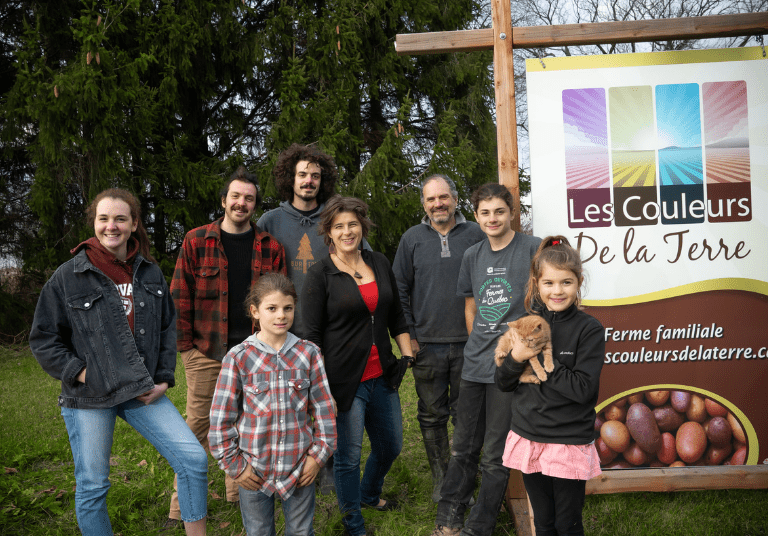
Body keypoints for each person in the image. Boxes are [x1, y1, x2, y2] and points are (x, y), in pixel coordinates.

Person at [29, 189, 208, 536]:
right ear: (94, 223)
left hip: (141, 389)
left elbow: (167, 328)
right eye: (104, 218)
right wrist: (83, 373)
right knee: (93, 484)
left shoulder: (150, 273)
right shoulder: (69, 276)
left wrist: (163, 378)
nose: (111, 226)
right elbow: (44, 338)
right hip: (90, 395)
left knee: (193, 459)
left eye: (120, 219)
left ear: (134, 224)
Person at [168, 166, 287, 524]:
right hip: (206, 351)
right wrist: (187, 349)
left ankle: (238, 493)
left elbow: (279, 299)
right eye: (235, 196)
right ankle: (181, 504)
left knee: (247, 424)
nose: (241, 203)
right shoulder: (196, 241)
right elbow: (179, 296)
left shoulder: (270, 247)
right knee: (197, 427)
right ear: (224, 200)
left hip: (254, 352)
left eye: (248, 198)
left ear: (255, 204)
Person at [432, 183, 541, 536]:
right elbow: (471, 306)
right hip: (475, 364)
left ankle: (479, 527)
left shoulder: (533, 248)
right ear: (476, 216)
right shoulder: (472, 256)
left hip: (511, 367)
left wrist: (522, 351)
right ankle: (449, 519)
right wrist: (477, 343)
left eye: (499, 211)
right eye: (485, 212)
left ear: (512, 213)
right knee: (463, 447)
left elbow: (546, 302)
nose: (492, 218)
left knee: (495, 454)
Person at [302, 195, 414, 536]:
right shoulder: (320, 274)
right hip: (343, 382)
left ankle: (368, 493)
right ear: (329, 232)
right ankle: (353, 523)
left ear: (362, 227)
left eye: (353, 224)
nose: (347, 231)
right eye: (339, 226)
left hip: (383, 375)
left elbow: (396, 314)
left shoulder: (378, 262)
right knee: (348, 457)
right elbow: (312, 337)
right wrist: (321, 389)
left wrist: (406, 356)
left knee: (391, 445)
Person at [208, 273, 337, 536]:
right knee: (258, 531)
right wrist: (235, 467)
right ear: (255, 311)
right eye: (272, 308)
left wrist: (316, 458)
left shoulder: (308, 354)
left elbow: (324, 412)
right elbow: (221, 418)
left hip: (299, 467)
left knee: (301, 531)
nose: (281, 315)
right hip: (253, 470)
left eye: (288, 308)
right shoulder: (238, 357)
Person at [495, 236, 604, 536]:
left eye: (566, 282)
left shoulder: (589, 329)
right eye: (549, 283)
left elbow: (583, 389)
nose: (557, 291)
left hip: (568, 440)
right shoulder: (525, 324)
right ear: (537, 284)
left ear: (579, 282)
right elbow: (503, 382)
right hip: (530, 435)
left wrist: (543, 359)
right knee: (543, 522)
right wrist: (517, 357)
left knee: (567, 524)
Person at [392, 174, 485, 502]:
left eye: (443, 197)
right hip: (427, 345)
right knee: (432, 414)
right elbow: (399, 289)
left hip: (470, 343)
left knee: (467, 415)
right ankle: (441, 479)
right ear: (424, 204)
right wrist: (410, 337)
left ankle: (464, 479)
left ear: (455, 200)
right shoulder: (412, 239)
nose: (438, 204)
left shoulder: (476, 234)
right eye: (430, 199)